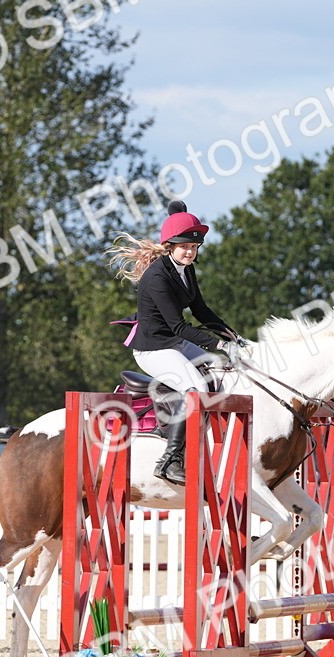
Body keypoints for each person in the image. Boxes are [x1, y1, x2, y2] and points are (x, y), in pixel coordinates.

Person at [108, 200, 242, 485]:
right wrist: (217, 346)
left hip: (174, 343)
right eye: (185, 247)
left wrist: (232, 337)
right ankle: (170, 460)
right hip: (153, 348)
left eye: (194, 248)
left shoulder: (186, 269)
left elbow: (202, 311)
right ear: (170, 246)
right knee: (194, 390)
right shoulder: (157, 277)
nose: (191, 253)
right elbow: (178, 325)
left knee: (222, 372)